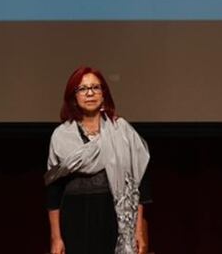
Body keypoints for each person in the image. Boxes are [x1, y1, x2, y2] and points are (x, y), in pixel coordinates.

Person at [45, 66, 151, 254]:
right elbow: (54, 192)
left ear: (104, 95)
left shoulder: (122, 131)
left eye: (96, 87)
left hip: (113, 219)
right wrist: (56, 237)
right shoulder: (61, 136)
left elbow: (139, 184)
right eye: (83, 89)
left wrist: (139, 230)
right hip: (75, 220)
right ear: (74, 97)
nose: (90, 93)